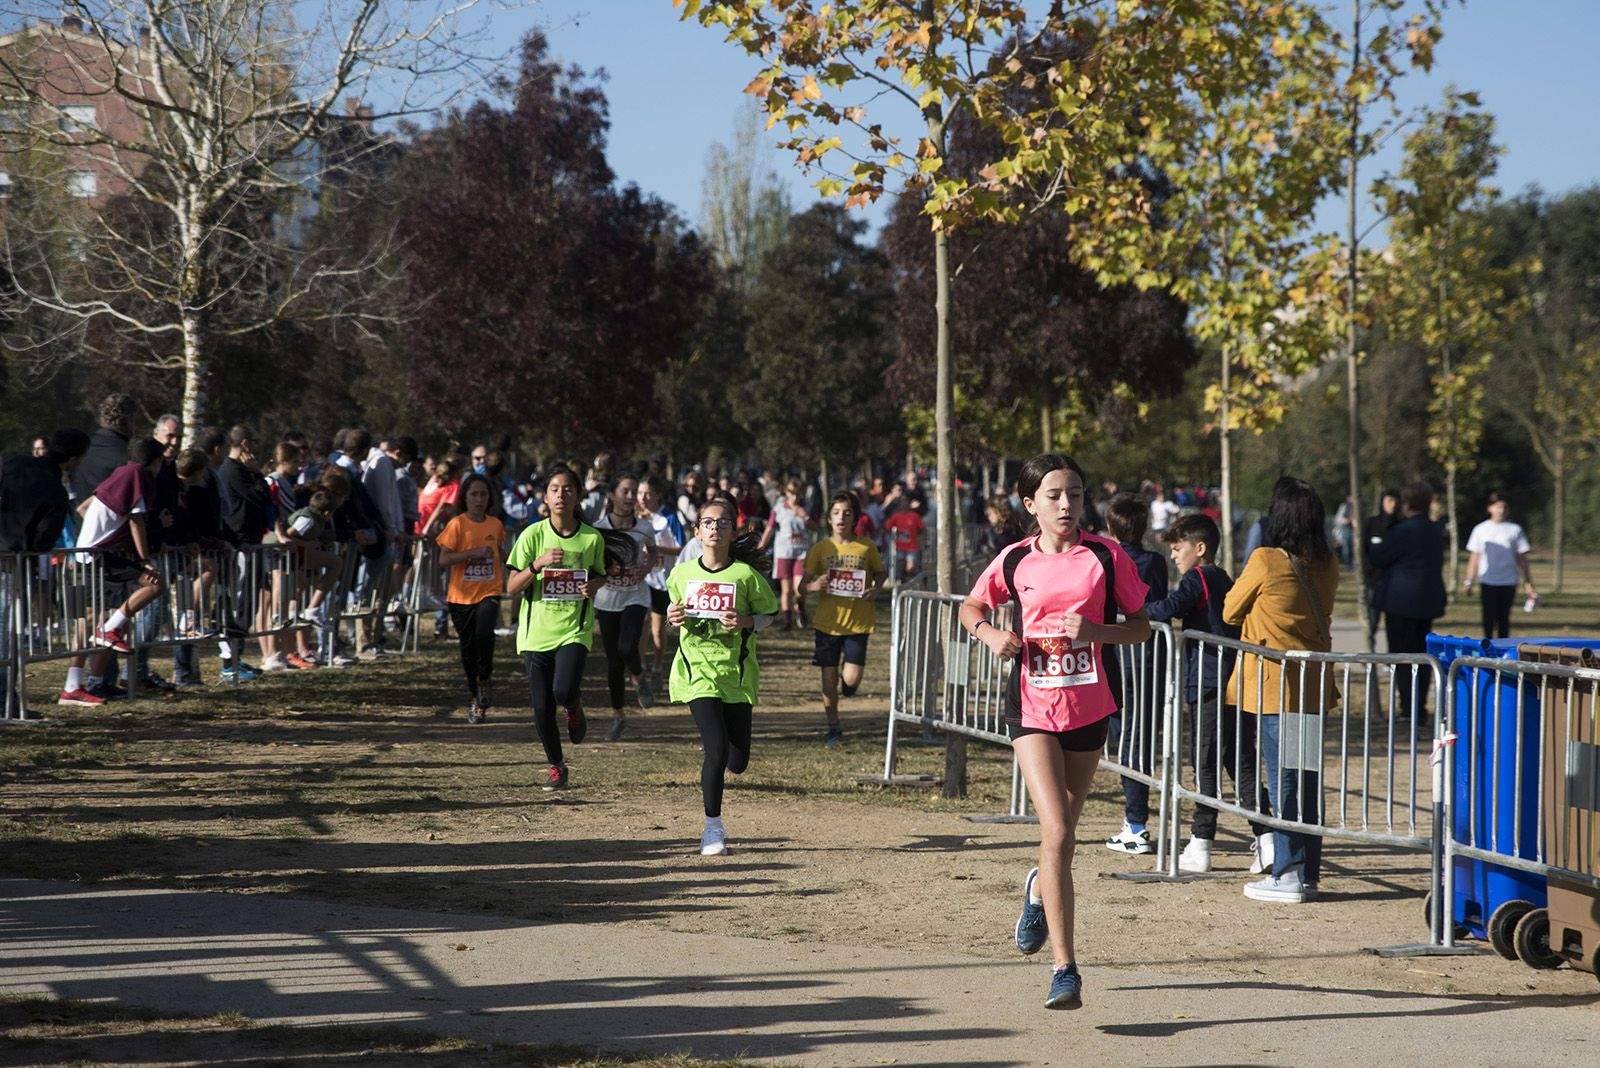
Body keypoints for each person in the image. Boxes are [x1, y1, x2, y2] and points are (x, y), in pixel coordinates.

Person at [960, 453, 1151, 1011]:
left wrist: (1096, 630)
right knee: (1060, 830)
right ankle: (1065, 969)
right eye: (1053, 495)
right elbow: (972, 606)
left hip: (1089, 707)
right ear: (1030, 505)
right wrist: (990, 634)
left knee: (1061, 836)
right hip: (1031, 708)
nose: (1066, 504)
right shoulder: (1015, 559)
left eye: (1075, 492)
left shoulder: (1106, 555)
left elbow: (1140, 627)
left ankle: (1038, 890)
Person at [1222, 476, 1339, 905]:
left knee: (1285, 777)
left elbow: (1230, 609)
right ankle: (1307, 869)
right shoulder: (1328, 562)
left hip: (1277, 687)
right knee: (1306, 778)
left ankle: (1287, 871)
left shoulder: (1267, 559)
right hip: (1311, 686)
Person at [1147, 515, 1269, 874]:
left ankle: (1202, 842)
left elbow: (1170, 608)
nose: (1173, 556)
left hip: (1209, 682)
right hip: (1232, 680)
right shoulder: (1224, 578)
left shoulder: (1198, 577)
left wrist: (1135, 612)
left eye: (1177, 548)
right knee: (1239, 761)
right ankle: (1267, 838)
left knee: (1206, 763)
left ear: (1200, 549)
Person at [666, 496, 780, 856]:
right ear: (697, 531)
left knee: (737, 760)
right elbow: (674, 615)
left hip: (737, 675)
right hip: (696, 672)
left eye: (723, 522)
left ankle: (721, 751)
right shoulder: (681, 574)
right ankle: (712, 829)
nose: (715, 528)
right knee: (715, 751)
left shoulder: (746, 576)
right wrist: (673, 618)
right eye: (708, 522)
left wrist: (745, 621)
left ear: (733, 531)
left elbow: (769, 615)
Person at [505, 466, 612, 791]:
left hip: (573, 630)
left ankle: (574, 707)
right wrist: (537, 565)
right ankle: (556, 765)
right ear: (545, 496)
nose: (561, 495)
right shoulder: (532, 535)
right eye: (554, 489)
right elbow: (510, 586)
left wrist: (594, 586)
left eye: (567, 489)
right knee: (541, 707)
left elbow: (601, 574)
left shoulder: (591, 538)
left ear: (578, 495)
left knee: (563, 690)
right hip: (536, 633)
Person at [60, 438, 169, 706]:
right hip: (98, 554)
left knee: (92, 618)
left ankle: (75, 686)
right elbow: (136, 520)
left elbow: (83, 508)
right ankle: (108, 631)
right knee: (154, 584)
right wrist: (144, 560)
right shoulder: (137, 476)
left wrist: (100, 531)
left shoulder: (119, 473)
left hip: (88, 552)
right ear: (156, 461)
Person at [1102, 492, 1169, 856]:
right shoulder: (1156, 563)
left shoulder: (1110, 558)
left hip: (1122, 659)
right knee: (1138, 740)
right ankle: (1135, 820)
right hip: (1150, 659)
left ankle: (1137, 823)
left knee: (1127, 742)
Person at [803, 492, 885, 747]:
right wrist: (814, 584)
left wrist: (876, 588)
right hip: (827, 623)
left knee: (850, 680)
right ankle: (833, 727)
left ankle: (846, 687)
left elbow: (881, 574)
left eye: (847, 513)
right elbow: (802, 586)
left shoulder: (866, 547)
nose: (841, 518)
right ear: (829, 519)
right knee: (828, 678)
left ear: (855, 518)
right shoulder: (820, 549)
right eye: (836, 513)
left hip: (858, 622)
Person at [1368, 484, 1447, 717]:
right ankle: (1419, 705)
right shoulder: (1434, 530)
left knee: (1402, 654)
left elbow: (1378, 557)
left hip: (1401, 600)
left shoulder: (1403, 530)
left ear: (1406, 504)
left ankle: (1408, 706)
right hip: (1427, 599)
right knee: (1423, 654)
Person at [434, 473, 507, 724]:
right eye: (474, 494)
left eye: (483, 494)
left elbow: (503, 553)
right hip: (460, 597)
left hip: (489, 591)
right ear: (464, 497)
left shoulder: (495, 525)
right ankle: (474, 697)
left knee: (484, 635)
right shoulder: (457, 524)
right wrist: (472, 553)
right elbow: (444, 559)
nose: (478, 499)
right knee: (468, 648)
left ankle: (485, 678)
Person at [593, 475, 660, 740]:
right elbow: (592, 561)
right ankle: (618, 715)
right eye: (625, 491)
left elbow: (653, 552)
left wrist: (645, 566)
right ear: (612, 495)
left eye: (634, 492)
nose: (631, 497)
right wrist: (605, 569)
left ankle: (639, 675)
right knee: (613, 663)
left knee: (626, 647)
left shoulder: (644, 527)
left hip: (636, 596)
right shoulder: (598, 528)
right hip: (607, 599)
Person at [1463, 492, 1536, 640]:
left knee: (1504, 618)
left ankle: (1503, 650)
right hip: (1488, 580)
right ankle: (1487, 646)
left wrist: (1528, 582)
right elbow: (1474, 557)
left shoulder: (1515, 530)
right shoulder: (1480, 529)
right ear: (1490, 508)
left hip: (1508, 581)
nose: (1501, 510)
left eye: (1503, 507)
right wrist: (1469, 581)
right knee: (1488, 617)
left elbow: (1521, 558)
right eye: (1497, 507)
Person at [637, 476, 683, 688]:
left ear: (658, 495)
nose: (642, 498)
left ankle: (657, 666)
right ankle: (640, 669)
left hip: (662, 581)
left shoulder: (670, 518)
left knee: (657, 629)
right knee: (641, 626)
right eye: (639, 493)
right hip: (641, 580)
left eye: (647, 493)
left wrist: (657, 550)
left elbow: (682, 548)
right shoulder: (636, 518)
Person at [759, 478, 811, 628]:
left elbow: (815, 527)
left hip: (801, 552)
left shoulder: (805, 507)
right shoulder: (779, 508)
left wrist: (804, 516)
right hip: (784, 552)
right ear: (786, 492)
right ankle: (787, 620)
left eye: (797, 493)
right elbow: (769, 528)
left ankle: (801, 609)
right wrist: (760, 548)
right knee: (787, 590)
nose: (794, 496)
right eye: (791, 492)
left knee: (799, 588)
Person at [1363, 489, 1401, 647]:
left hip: (1395, 584)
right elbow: (1363, 551)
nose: (1393, 505)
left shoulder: (1401, 525)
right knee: (1372, 620)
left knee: (1395, 625)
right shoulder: (1371, 523)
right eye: (1389, 501)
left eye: (1395, 501)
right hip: (1374, 582)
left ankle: (1392, 658)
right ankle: (1369, 653)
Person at [883, 496, 925, 581]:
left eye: (906, 502)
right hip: (899, 547)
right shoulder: (896, 516)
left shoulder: (914, 516)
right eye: (902, 502)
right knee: (900, 567)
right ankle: (903, 583)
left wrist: (922, 541)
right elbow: (887, 527)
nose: (904, 504)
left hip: (912, 547)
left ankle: (915, 580)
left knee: (910, 567)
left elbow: (922, 529)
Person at [973, 495, 1021, 564]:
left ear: (998, 513)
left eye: (990, 514)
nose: (989, 517)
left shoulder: (1011, 530)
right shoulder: (992, 531)